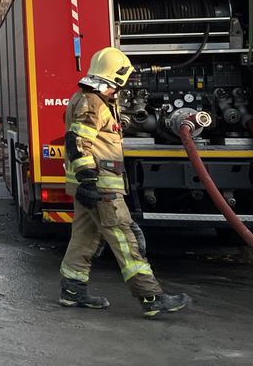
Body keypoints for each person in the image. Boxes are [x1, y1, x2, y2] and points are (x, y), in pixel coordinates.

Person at [58, 48, 191, 318]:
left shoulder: (88, 99)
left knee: (85, 238)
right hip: (101, 186)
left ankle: (72, 290)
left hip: (91, 186)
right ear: (116, 76)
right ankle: (151, 297)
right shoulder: (92, 102)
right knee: (125, 238)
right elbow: (78, 143)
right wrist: (88, 181)